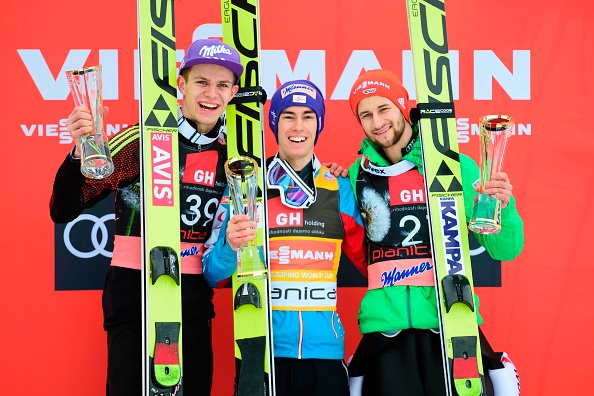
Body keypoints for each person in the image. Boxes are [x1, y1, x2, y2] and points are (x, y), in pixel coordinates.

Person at [49, 38, 243, 395]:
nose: (211, 94)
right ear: (181, 85)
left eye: (221, 85)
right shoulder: (145, 140)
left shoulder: (236, 157)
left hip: (193, 297)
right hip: (134, 290)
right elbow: (64, 208)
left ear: (232, 93)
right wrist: (79, 152)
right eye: (201, 82)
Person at [345, 69, 524, 396]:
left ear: (402, 107)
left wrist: (503, 204)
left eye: (384, 108)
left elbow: (505, 249)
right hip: (385, 330)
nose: (377, 121)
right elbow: (360, 252)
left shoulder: (455, 166)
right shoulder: (357, 175)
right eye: (366, 114)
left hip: (452, 323)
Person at [202, 79, 368, 396]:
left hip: (326, 355)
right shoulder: (245, 183)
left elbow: (372, 261)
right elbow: (212, 274)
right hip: (262, 354)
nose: (298, 126)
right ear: (275, 123)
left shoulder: (338, 186)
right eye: (288, 115)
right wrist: (229, 246)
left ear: (319, 124)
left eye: (308, 116)